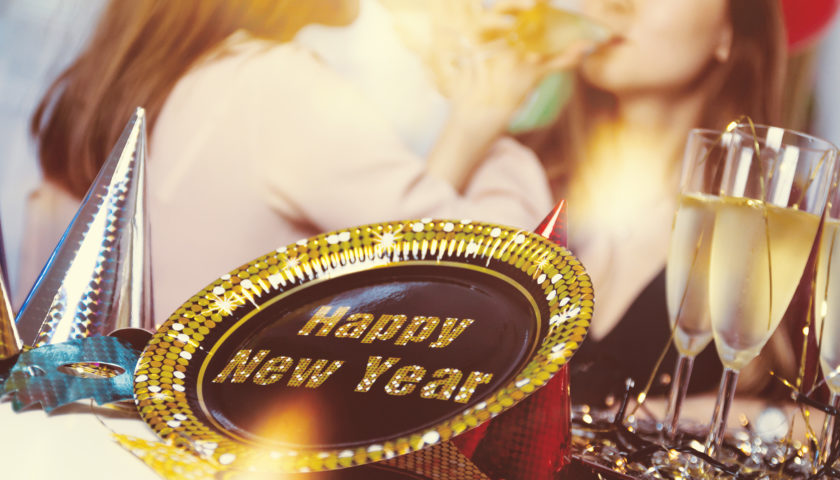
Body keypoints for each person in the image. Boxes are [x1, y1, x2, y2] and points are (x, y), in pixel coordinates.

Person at [18, 0, 594, 327]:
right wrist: (500, 132)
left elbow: (394, 254)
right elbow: (492, 279)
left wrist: (472, 124)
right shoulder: (279, 86)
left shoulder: (177, 80)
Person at [518, 0, 791, 409]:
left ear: (730, 33)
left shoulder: (790, 233)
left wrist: (759, 419)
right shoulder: (511, 171)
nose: (614, 4)